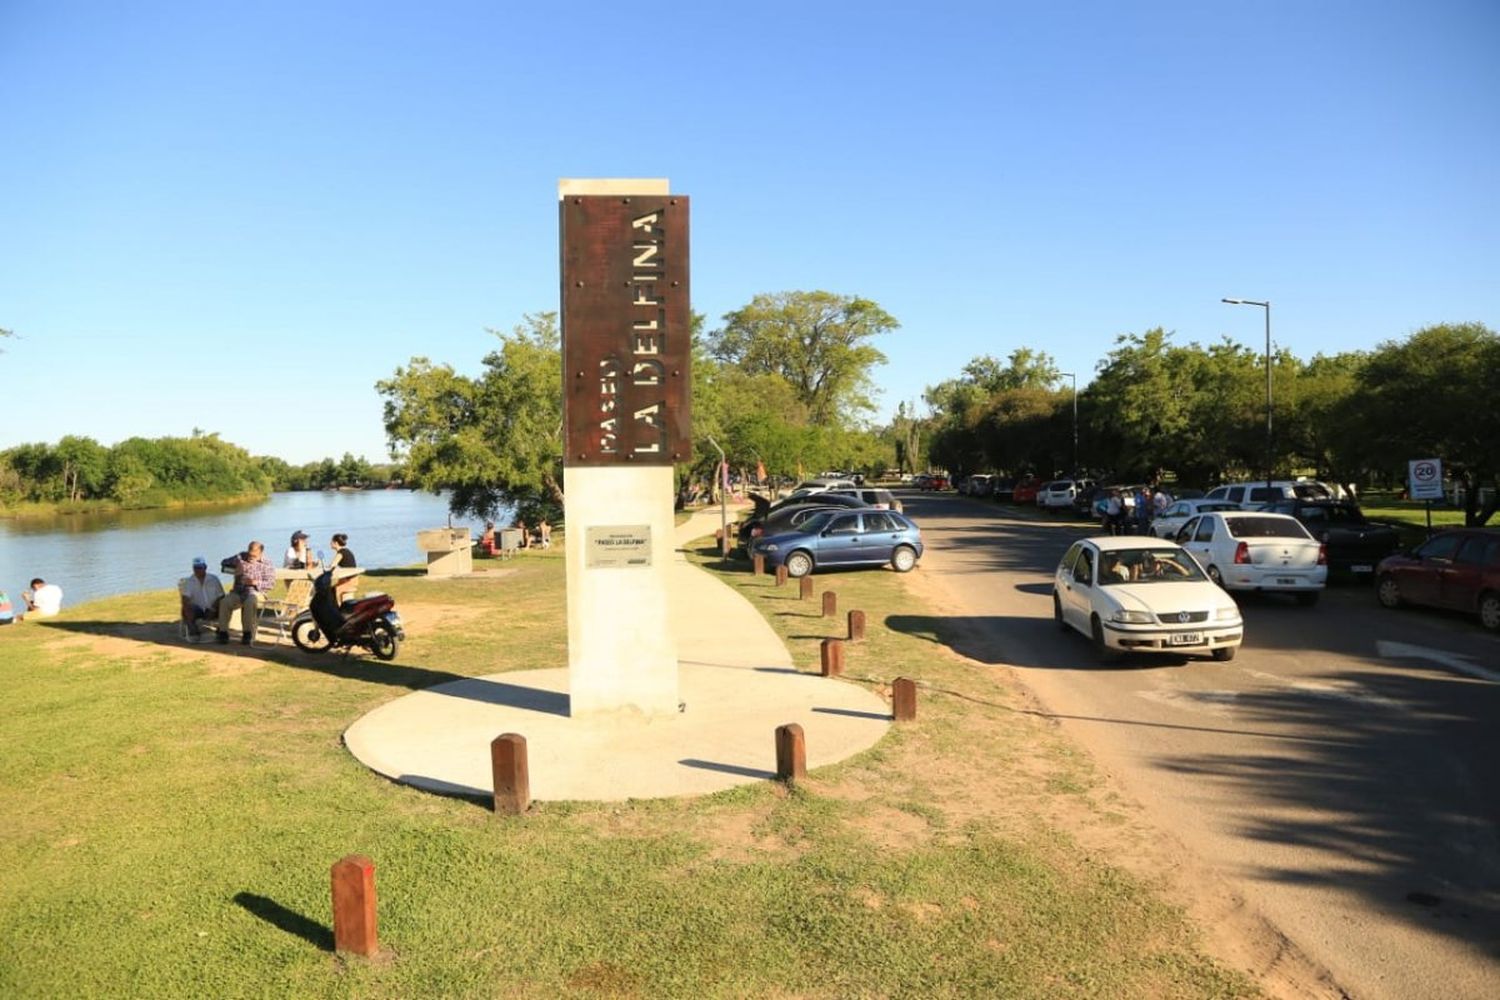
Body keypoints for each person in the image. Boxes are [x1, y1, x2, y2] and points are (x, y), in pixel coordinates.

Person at [217, 542, 276, 645]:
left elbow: (270, 584)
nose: (250, 557)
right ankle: (223, 632)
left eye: (254, 555)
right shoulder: (241, 556)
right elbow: (223, 562)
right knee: (225, 602)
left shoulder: (267, 563)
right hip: (238, 592)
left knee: (250, 601)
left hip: (256, 592)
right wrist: (235, 566)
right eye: (249, 554)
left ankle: (247, 633)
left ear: (261, 553)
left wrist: (255, 583)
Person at [179, 556, 225, 640]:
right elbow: (185, 597)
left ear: (205, 567)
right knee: (186, 607)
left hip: (213, 608)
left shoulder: (214, 579)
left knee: (225, 604)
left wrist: (213, 608)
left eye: (200, 567)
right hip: (198, 609)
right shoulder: (189, 582)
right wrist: (186, 605)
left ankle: (222, 631)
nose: (197, 570)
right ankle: (192, 629)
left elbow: (221, 596)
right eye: (195, 568)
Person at [329, 533, 358, 605]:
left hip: (349, 580)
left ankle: (338, 610)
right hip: (352, 578)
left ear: (335, 543)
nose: (330, 543)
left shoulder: (341, 553)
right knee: (332, 588)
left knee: (334, 590)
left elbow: (332, 566)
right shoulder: (346, 551)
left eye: (331, 542)